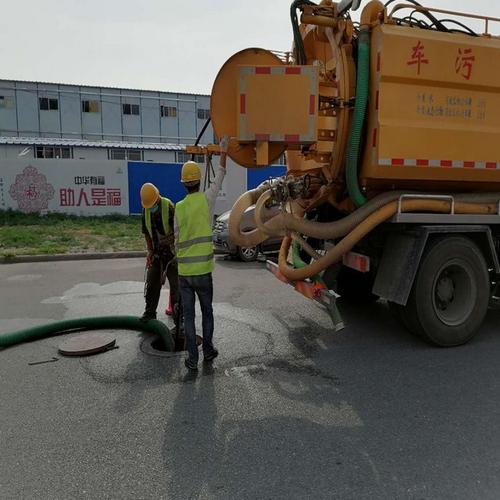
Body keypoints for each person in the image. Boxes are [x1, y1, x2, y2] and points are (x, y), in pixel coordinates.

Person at [175, 136, 229, 370]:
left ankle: (192, 359)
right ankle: (207, 351)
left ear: (184, 183)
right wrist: (223, 152)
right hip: (203, 272)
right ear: (198, 181)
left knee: (189, 317)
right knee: (207, 312)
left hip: (184, 273)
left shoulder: (178, 207)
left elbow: (177, 238)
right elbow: (220, 175)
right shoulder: (207, 200)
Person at [140, 183, 180, 331]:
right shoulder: (145, 210)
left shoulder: (168, 206)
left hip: (171, 254)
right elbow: (146, 233)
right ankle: (150, 313)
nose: (151, 207)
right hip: (156, 254)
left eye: (152, 204)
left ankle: (179, 320)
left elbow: (178, 230)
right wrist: (149, 251)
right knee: (151, 284)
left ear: (157, 198)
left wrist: (178, 252)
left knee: (176, 288)